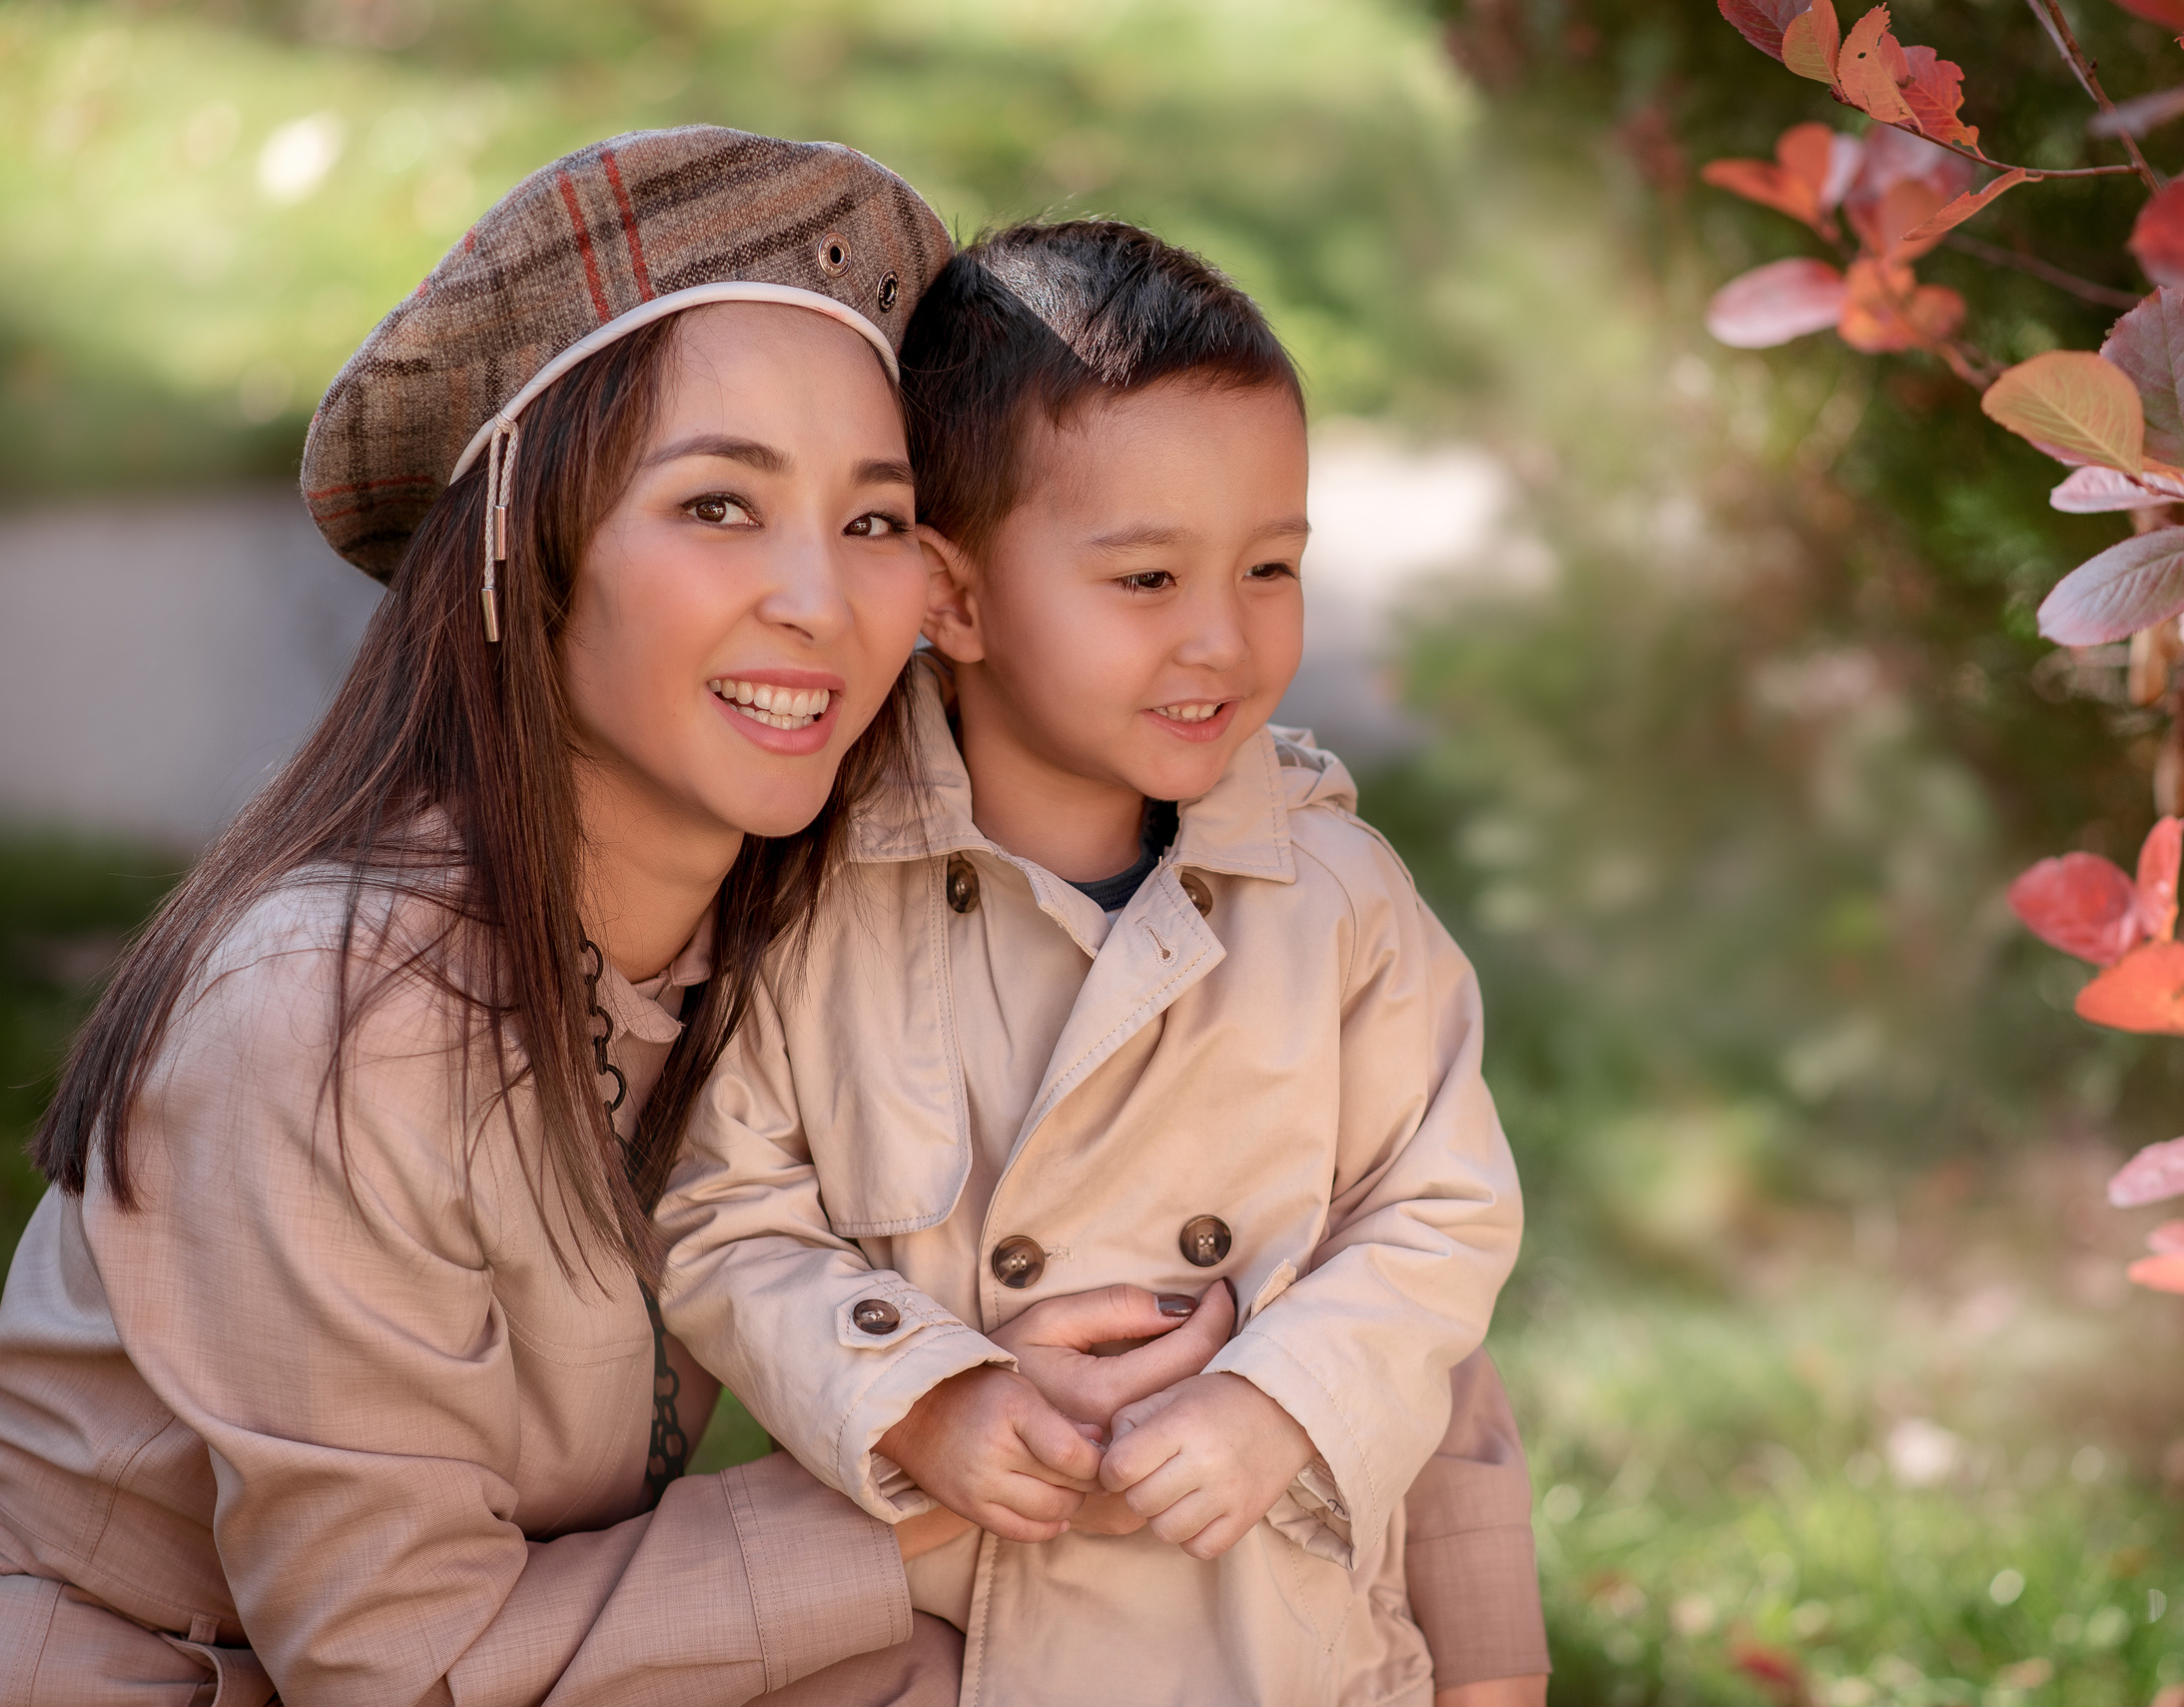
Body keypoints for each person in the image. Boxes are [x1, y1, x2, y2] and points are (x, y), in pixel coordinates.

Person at [0, 127, 975, 1705]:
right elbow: (400, 1660)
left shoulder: (800, 938)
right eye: (719, 504)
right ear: (522, 544)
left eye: (874, 522)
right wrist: (929, 1493)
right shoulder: (331, 1016)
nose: (819, 599)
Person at [658, 220, 1547, 1705]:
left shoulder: (1335, 902)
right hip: (945, 1647)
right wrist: (922, 1396)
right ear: (953, 599)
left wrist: (1280, 1401)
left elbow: (1440, 1216)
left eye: (1270, 567)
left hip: (1285, 1648)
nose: (1223, 640)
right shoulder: (811, 899)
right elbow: (719, 1212)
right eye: (1146, 579)